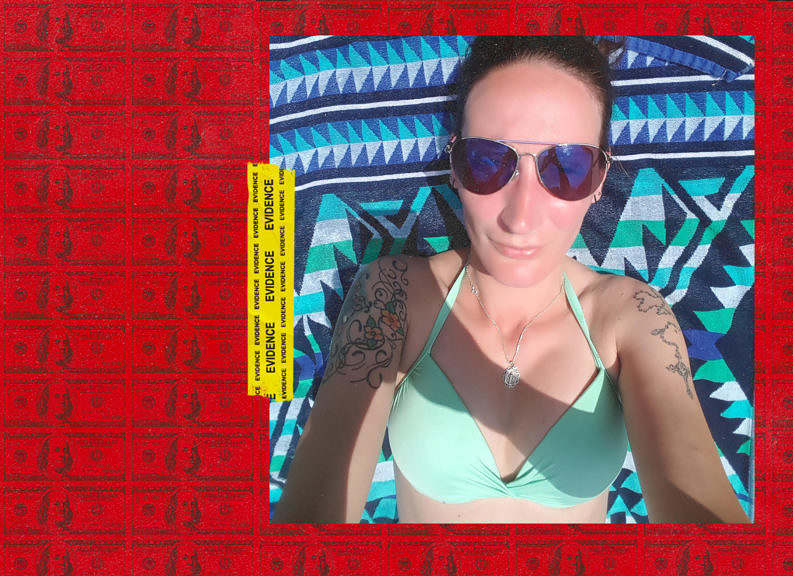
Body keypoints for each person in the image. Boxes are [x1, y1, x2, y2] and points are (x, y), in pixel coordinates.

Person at [272, 36, 749, 524]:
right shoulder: (394, 294)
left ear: (601, 179)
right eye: (486, 162)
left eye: (568, 168)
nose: (520, 218)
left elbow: (691, 475)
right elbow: (325, 471)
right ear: (454, 166)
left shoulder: (632, 316)